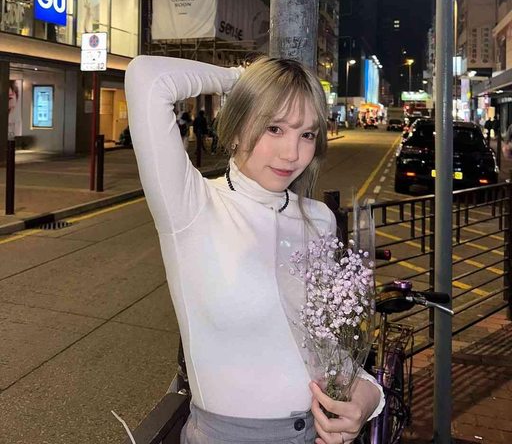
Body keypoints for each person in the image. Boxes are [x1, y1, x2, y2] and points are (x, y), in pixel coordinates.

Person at [125, 56, 384, 444]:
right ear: (236, 129)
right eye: (274, 128)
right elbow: (146, 77)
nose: (291, 153)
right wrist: (240, 79)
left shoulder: (319, 219)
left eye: (307, 135)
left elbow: (324, 346)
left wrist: (367, 396)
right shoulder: (192, 206)